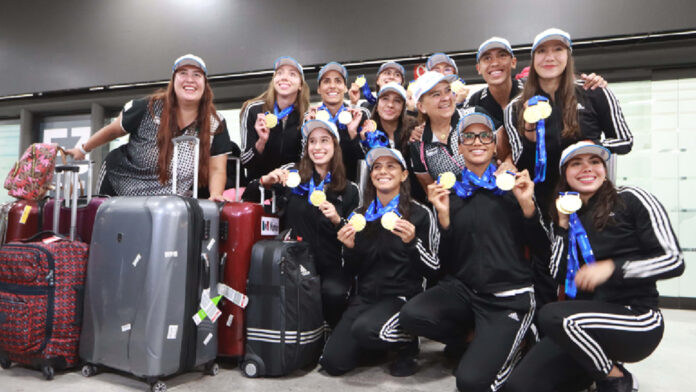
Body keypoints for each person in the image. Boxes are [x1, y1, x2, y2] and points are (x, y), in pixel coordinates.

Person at [505, 141, 684, 392]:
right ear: (564, 174)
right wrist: (563, 224)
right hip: (579, 325)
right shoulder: (567, 214)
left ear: (605, 169)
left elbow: (674, 261)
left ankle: (615, 376)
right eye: (576, 163)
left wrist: (612, 268)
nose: (587, 168)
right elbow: (556, 273)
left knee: (553, 314)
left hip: (637, 319)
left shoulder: (632, 198)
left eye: (595, 162)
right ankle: (595, 366)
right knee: (519, 386)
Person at [399, 108, 548, 392]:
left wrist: (528, 205)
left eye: (484, 136)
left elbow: (543, 248)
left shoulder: (515, 187)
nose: (477, 141)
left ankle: (519, 341)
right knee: (413, 314)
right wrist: (443, 219)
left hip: (508, 297)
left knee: (471, 383)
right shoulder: (450, 194)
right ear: (460, 146)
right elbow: (442, 264)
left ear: (494, 146)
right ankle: (473, 338)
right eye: (469, 136)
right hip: (466, 291)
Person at [320, 146, 439, 377]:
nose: (383, 171)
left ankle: (407, 343)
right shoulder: (359, 216)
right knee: (333, 362)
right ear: (371, 175)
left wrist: (412, 243)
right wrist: (350, 248)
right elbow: (349, 270)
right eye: (377, 167)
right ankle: (377, 342)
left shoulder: (420, 214)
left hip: (401, 298)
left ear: (404, 175)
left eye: (391, 166)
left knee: (365, 330)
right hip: (365, 298)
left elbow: (434, 269)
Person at [502, 28, 633, 217]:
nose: (549, 57)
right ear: (533, 58)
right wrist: (531, 136)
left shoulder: (595, 91)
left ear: (568, 56)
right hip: (543, 205)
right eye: (541, 51)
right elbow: (521, 162)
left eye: (558, 49)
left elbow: (625, 141)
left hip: (592, 199)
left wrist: (591, 146)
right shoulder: (515, 108)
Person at [243, 119, 359, 327]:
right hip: (293, 263)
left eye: (324, 141)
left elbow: (355, 239)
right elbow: (249, 196)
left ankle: (328, 334)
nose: (317, 147)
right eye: (312, 142)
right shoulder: (292, 176)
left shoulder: (349, 189)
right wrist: (265, 181)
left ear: (335, 146)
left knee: (333, 294)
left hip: (332, 266)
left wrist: (336, 220)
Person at [67, 54, 234, 199]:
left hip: (167, 196)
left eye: (197, 75)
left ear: (205, 83)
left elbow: (217, 168)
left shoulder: (215, 122)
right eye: (183, 73)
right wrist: (82, 150)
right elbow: (113, 131)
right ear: (173, 81)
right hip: (121, 185)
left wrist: (216, 195)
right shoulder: (148, 108)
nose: (189, 79)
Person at [466, 36, 608, 125]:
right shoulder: (473, 102)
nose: (495, 63)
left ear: (514, 62)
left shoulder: (532, 90)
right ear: (478, 68)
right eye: (487, 58)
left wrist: (595, 82)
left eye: (502, 55)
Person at [408, 71, 492, 194]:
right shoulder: (417, 143)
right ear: (421, 107)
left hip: (494, 198)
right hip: (455, 209)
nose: (446, 98)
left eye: (447, 90)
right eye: (436, 94)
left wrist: (507, 163)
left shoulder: (476, 114)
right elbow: (431, 190)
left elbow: (505, 154)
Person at [240, 56, 310, 183]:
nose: (284, 77)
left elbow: (306, 162)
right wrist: (261, 142)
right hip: (258, 187)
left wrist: (284, 171)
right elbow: (245, 162)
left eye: (292, 74)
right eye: (280, 73)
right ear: (274, 80)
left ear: (300, 85)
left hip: (289, 186)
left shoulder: (306, 116)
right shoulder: (253, 110)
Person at [306, 62, 370, 182]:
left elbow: (366, 160)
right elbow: (305, 159)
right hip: (318, 187)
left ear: (345, 88)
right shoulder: (310, 118)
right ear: (319, 89)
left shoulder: (359, 115)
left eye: (338, 81)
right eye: (326, 81)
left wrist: (352, 134)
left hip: (352, 187)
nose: (332, 86)